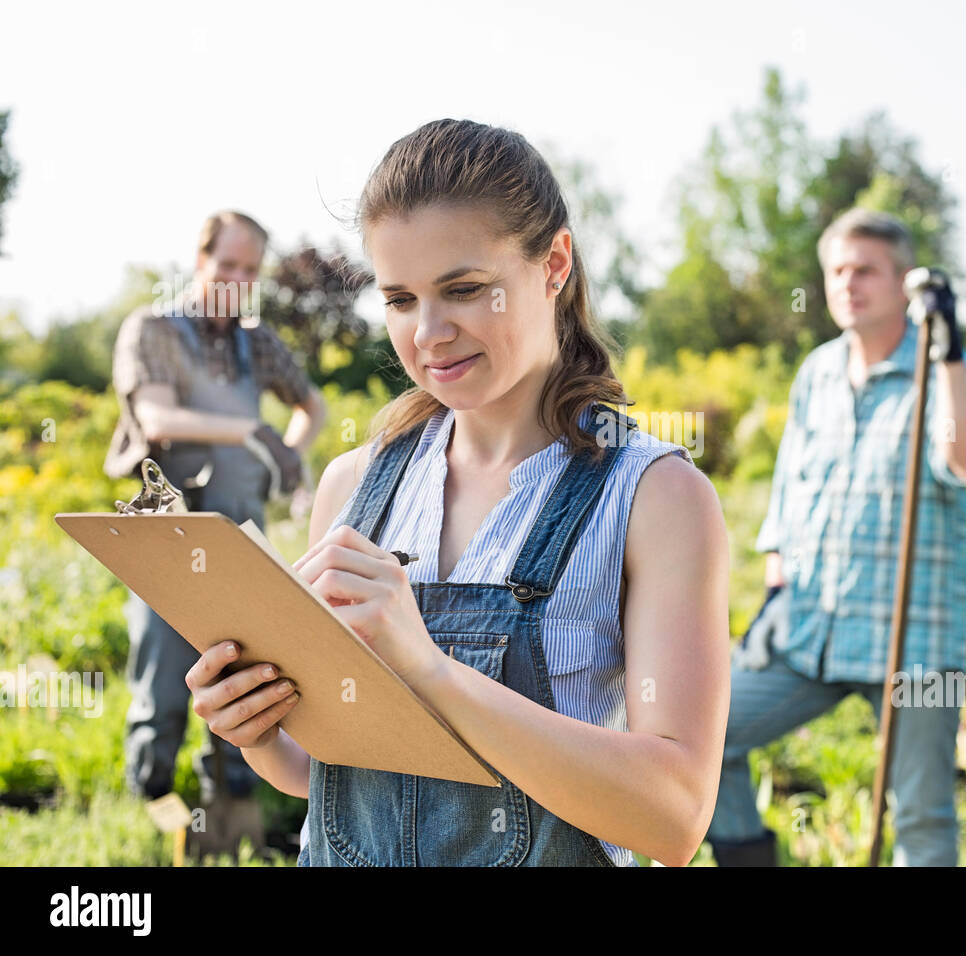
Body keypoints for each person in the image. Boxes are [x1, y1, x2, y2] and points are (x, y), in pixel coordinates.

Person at [187, 119, 731, 867]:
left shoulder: (654, 497)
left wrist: (430, 669)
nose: (430, 333)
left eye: (466, 289)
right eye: (401, 299)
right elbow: (332, 781)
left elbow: (673, 816)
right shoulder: (354, 488)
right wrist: (257, 731)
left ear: (554, 264)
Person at [708, 208, 966, 866]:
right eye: (838, 270)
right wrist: (774, 591)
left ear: (904, 282)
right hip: (814, 630)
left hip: (917, 641)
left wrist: (948, 348)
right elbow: (787, 499)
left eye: (866, 269)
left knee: (923, 815)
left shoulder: (945, 369)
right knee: (703, 738)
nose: (848, 283)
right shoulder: (817, 372)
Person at [105, 210, 328, 852]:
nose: (237, 280)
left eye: (250, 271)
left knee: (243, 682)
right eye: (227, 266)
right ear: (200, 261)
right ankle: (153, 822)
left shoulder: (256, 343)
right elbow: (156, 415)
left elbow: (312, 406)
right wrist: (250, 432)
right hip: (165, 541)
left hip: (238, 539)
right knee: (164, 688)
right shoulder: (152, 329)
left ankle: (229, 832)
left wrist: (289, 455)